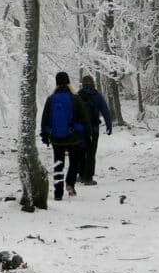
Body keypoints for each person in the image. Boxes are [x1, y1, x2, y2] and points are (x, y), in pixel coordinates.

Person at [40, 71, 91, 200]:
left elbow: (45, 118)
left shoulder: (51, 99)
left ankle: (58, 193)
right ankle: (70, 184)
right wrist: (87, 134)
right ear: (68, 82)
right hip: (74, 138)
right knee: (74, 162)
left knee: (58, 164)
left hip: (56, 138)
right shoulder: (75, 98)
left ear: (56, 83)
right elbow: (84, 118)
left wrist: (45, 135)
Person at [77, 74, 112, 185]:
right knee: (91, 153)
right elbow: (105, 111)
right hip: (93, 129)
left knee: (81, 152)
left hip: (81, 130)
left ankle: (81, 175)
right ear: (93, 83)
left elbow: (72, 113)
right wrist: (109, 125)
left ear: (83, 83)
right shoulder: (97, 95)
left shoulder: (78, 95)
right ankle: (88, 178)